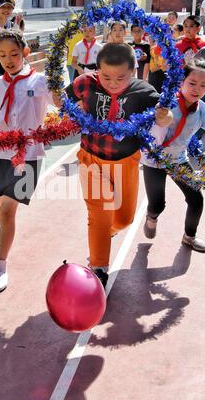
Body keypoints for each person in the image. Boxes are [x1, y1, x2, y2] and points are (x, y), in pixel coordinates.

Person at [65, 43, 172, 288]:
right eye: (106, 76)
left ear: (134, 71)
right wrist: (58, 104)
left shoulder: (144, 92)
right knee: (99, 214)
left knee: (123, 219)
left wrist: (165, 118)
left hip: (126, 162)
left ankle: (106, 233)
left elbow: (165, 114)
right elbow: (62, 100)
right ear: (97, 69)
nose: (112, 83)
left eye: (120, 78)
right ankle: (99, 267)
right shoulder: (85, 83)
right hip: (91, 159)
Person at [0, 31, 57, 293]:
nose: (8, 60)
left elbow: (59, 104)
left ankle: (1, 265)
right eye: (1, 55)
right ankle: (6, 231)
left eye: (13, 54)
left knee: (9, 212)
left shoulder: (42, 81)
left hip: (30, 156)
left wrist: (59, 85)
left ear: (24, 52)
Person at [142, 58, 205, 252]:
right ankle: (151, 217)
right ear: (181, 82)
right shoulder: (165, 104)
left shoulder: (202, 108)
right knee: (158, 204)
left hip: (179, 160)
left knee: (196, 199)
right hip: (155, 161)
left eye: (203, 86)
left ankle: (189, 237)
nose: (197, 89)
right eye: (192, 83)